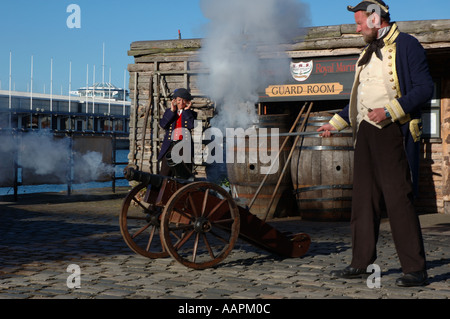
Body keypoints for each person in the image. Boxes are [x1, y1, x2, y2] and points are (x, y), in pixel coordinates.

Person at [318, 0, 434, 287]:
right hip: (366, 133)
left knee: (398, 199)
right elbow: (359, 101)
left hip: (393, 130)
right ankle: (360, 263)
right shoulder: (365, 53)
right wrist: (334, 124)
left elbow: (424, 88)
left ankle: (415, 269)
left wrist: (391, 110)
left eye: (359, 23)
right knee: (363, 201)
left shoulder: (407, 45)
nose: (357, 28)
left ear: (375, 19)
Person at [158, 88, 197, 178]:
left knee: (184, 173)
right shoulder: (169, 112)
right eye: (179, 100)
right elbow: (163, 125)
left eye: (184, 100)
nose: (181, 102)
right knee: (165, 172)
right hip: (170, 145)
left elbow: (191, 125)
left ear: (188, 102)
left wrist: (187, 111)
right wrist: (172, 111)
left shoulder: (191, 114)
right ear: (175, 100)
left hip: (184, 146)